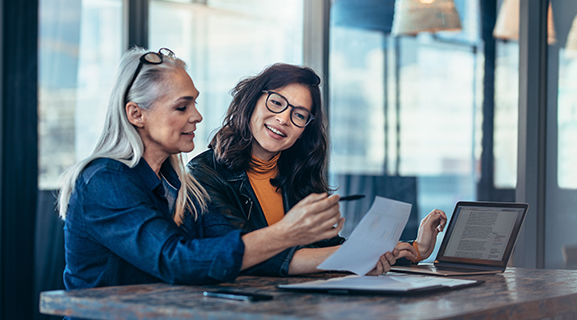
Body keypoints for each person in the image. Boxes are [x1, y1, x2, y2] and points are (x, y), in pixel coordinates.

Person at [58, 48, 405, 291]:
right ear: (136, 114)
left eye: (194, 103)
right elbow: (176, 261)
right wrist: (287, 232)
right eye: (182, 106)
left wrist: (360, 256)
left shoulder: (178, 184)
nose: (197, 116)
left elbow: (228, 248)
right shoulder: (104, 181)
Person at [187, 63, 448, 273]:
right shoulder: (204, 174)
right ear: (252, 101)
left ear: (304, 131)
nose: (283, 119)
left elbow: (328, 248)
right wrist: (358, 255)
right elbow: (248, 255)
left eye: (299, 115)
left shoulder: (297, 176)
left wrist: (415, 249)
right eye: (276, 102)